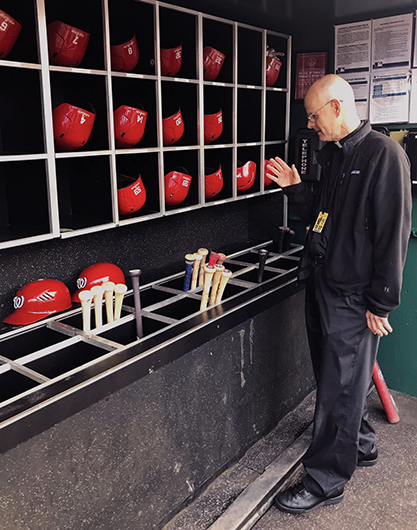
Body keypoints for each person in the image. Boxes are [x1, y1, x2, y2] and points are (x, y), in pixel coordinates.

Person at [266, 74, 412, 515]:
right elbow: (321, 211)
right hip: (323, 283)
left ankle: (326, 479)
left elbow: (395, 232)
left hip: (354, 298)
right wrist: (296, 187)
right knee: (340, 381)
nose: (310, 124)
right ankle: (361, 442)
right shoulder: (332, 157)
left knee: (339, 390)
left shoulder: (383, 155)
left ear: (336, 107)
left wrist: (381, 301)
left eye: (313, 114)